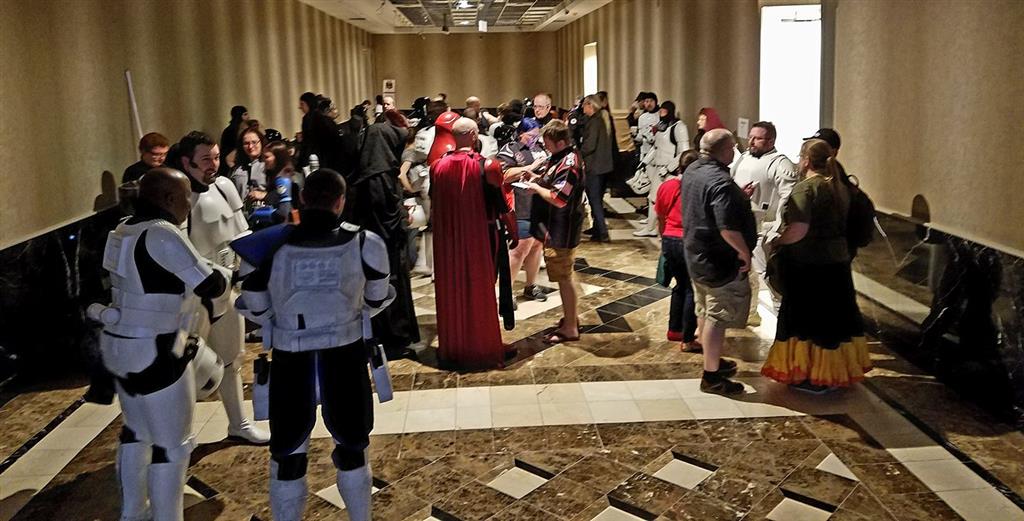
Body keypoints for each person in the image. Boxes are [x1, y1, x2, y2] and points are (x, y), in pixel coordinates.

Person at [232, 169, 393, 521]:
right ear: (341, 202)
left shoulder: (266, 244)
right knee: (352, 449)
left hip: (291, 356)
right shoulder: (366, 243)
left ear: (303, 198)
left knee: (288, 455)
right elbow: (377, 297)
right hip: (345, 355)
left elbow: (254, 303)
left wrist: (283, 318)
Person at [93, 168, 229, 521]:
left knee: (136, 433)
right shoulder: (163, 234)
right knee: (173, 446)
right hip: (154, 346)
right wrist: (225, 271)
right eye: (185, 197)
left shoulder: (122, 229)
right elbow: (210, 285)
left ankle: (133, 512)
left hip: (119, 346)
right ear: (169, 198)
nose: (189, 204)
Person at [173, 131, 270, 444]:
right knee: (190, 365)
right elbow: (179, 249)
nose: (213, 164)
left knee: (232, 358)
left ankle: (238, 423)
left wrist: (253, 274)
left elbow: (242, 235)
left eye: (215, 157)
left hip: (228, 287)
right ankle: (183, 434)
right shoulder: (179, 196)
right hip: (195, 294)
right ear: (186, 162)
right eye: (205, 159)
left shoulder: (225, 186)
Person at [761, 138, 871, 392]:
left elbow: (799, 229)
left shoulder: (806, 189)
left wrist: (777, 241)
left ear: (807, 160)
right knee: (833, 319)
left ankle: (810, 375)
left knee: (806, 320)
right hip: (838, 262)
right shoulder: (839, 186)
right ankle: (833, 372)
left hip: (808, 264)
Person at [430, 118, 518, 368]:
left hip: (448, 241)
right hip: (481, 237)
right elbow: (501, 206)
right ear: (473, 135)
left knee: (453, 288)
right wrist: (513, 231)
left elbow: (436, 204)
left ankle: (455, 345)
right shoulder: (488, 166)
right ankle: (485, 345)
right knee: (482, 286)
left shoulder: (437, 167)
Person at [680, 128, 753, 395]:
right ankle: (711, 376)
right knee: (717, 316)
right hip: (717, 259)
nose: (735, 151)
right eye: (732, 147)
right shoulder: (721, 182)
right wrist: (744, 252)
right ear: (723, 150)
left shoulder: (693, 169)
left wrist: (738, 198)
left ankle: (712, 361)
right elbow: (727, 229)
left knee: (703, 308)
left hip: (695, 252)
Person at [351, 109, 419, 359]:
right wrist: (400, 218)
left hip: (378, 244)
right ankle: (393, 339)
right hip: (385, 246)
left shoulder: (373, 170)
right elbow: (384, 213)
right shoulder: (378, 176)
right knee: (388, 287)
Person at [523, 120, 586, 344]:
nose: (546, 147)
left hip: (561, 229)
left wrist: (536, 188)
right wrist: (537, 180)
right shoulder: (562, 156)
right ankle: (570, 318)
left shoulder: (569, 164)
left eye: (548, 144)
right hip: (557, 226)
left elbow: (559, 199)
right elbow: (552, 181)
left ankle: (570, 328)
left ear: (560, 142)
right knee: (565, 275)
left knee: (563, 278)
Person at [731, 121, 799, 325]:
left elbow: (788, 199)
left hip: (764, 228)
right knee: (742, 274)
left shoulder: (781, 164)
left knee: (770, 276)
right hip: (741, 225)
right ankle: (748, 313)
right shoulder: (743, 157)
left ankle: (784, 318)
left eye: (757, 138)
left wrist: (778, 228)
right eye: (750, 136)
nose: (751, 141)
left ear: (771, 140)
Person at [497, 118, 549, 305]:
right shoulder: (510, 150)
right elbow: (503, 175)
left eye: (537, 135)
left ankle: (530, 285)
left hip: (540, 205)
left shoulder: (541, 148)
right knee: (519, 250)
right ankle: (506, 292)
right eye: (530, 136)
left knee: (536, 246)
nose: (534, 139)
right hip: (521, 206)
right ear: (521, 133)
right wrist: (530, 168)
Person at [656, 150, 702, 352]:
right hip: (688, 240)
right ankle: (688, 338)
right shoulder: (697, 188)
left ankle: (674, 329)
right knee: (691, 288)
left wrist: (663, 237)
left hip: (669, 239)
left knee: (680, 285)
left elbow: (660, 215)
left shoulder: (666, 186)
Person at [635, 101, 691, 237]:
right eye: (661, 111)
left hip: (671, 170)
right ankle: (651, 228)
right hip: (659, 167)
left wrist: (669, 168)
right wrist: (644, 162)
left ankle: (662, 229)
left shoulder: (679, 127)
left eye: (664, 111)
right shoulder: (661, 126)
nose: (661, 114)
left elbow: (683, 152)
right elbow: (656, 148)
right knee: (653, 198)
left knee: (668, 200)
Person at [580, 94, 614, 242]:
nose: (582, 107)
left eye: (584, 104)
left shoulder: (594, 122)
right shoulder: (601, 119)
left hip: (594, 166)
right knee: (597, 199)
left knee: (594, 200)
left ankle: (603, 232)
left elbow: (590, 145)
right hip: (603, 166)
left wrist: (578, 152)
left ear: (590, 105)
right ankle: (597, 229)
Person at [230, 126, 268, 202]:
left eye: (254, 142)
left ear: (261, 142)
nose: (250, 146)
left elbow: (283, 191)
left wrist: (265, 195)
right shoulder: (237, 169)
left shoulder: (269, 165)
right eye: (246, 143)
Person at [219, 106, 249, 174]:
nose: (248, 117)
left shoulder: (228, 129)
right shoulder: (239, 129)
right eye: (245, 114)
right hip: (233, 162)